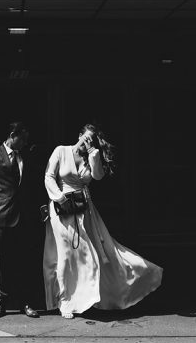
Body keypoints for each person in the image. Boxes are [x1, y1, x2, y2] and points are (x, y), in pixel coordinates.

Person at [43, 123, 162, 318]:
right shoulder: (61, 151)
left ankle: (85, 297)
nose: (86, 142)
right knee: (66, 255)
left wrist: (93, 155)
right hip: (61, 208)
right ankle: (64, 301)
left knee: (97, 253)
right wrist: (60, 198)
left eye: (91, 140)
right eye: (85, 137)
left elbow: (98, 176)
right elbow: (48, 177)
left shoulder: (91, 157)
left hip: (84, 209)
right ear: (79, 135)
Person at [0, 121, 42, 319]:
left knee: (25, 261)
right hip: (3, 216)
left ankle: (26, 302)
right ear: (12, 134)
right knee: (1, 261)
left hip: (25, 217)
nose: (25, 142)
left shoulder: (27, 155)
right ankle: (0, 303)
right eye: (22, 138)